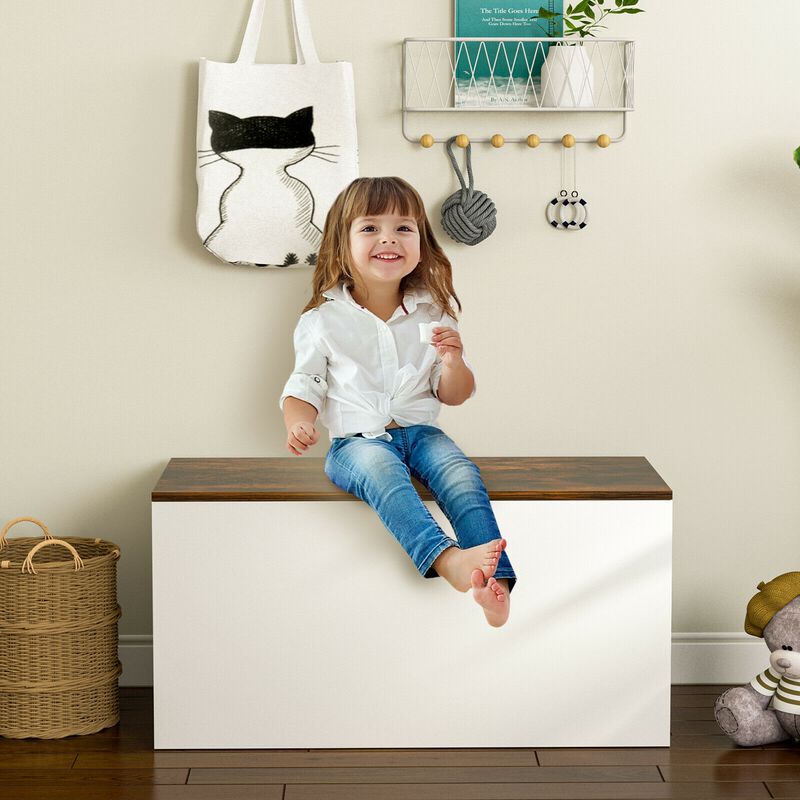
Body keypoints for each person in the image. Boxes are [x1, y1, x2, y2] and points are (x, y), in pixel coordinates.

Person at [279, 176, 516, 627]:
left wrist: (453, 360)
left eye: (403, 228)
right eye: (370, 228)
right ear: (341, 245)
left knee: (461, 474)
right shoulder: (322, 321)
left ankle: (495, 584)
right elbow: (303, 385)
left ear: (421, 244)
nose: (388, 237)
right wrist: (298, 423)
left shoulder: (434, 314)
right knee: (383, 474)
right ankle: (449, 562)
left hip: (421, 433)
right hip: (356, 444)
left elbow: (455, 393)